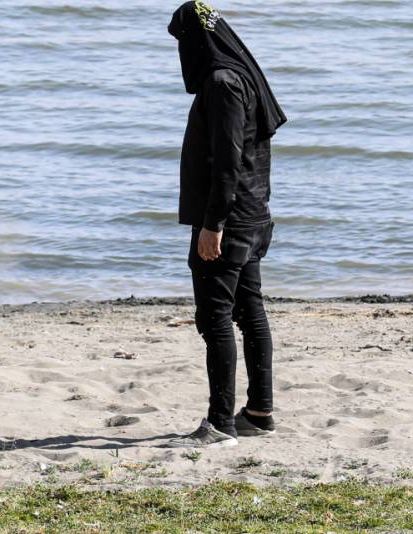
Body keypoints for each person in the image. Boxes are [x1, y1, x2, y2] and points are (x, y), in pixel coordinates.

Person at [165, 1, 287, 448]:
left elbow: (228, 162)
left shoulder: (221, 83)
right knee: (249, 311)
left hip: (229, 221)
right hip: (253, 216)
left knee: (214, 317)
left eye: (182, 42)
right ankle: (259, 412)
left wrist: (212, 225)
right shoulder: (243, 75)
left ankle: (219, 424)